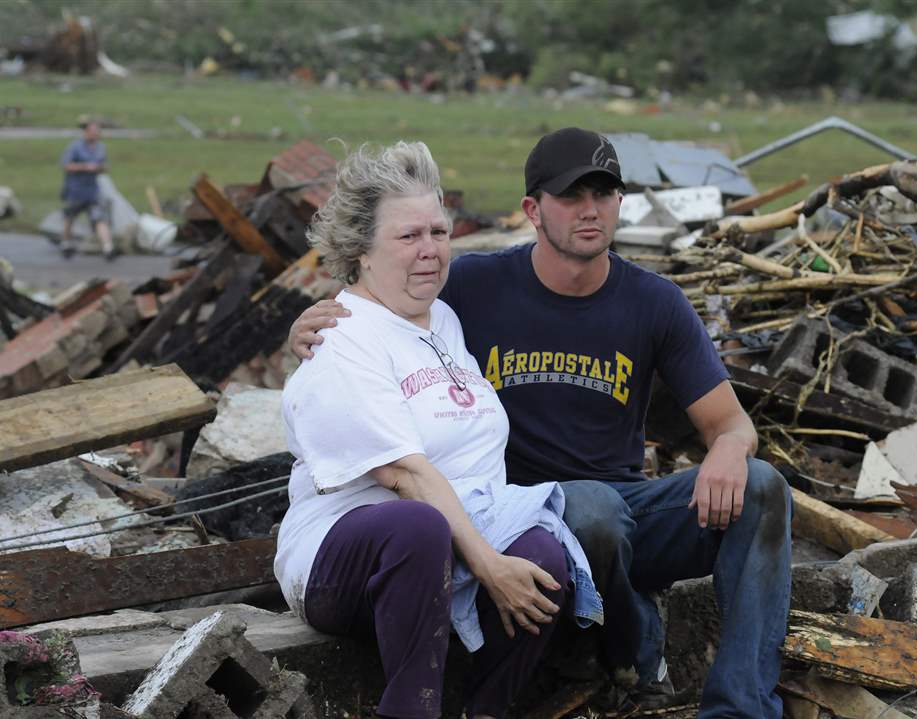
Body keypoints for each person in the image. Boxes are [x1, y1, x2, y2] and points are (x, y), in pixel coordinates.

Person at [290, 128, 792, 719]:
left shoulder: (653, 302)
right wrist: (310, 329)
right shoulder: (471, 289)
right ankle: (632, 648)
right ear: (532, 210)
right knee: (579, 515)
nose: (590, 210)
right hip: (529, 509)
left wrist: (732, 448)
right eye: (571, 196)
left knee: (762, 486)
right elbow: (377, 305)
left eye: (603, 195)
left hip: (614, 510)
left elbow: (729, 423)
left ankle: (741, 707)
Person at [274, 140, 602, 719]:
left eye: (439, 232)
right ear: (360, 251)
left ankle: (488, 709)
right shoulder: (343, 340)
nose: (429, 251)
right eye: (408, 237)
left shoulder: (444, 319)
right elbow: (404, 474)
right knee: (418, 526)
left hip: (451, 536)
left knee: (545, 558)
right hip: (345, 558)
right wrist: (487, 563)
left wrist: (500, 558)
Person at [59, 121, 117, 260]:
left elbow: (104, 164)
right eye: (92, 131)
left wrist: (101, 168)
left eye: (97, 132)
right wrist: (85, 166)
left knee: (99, 218)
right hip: (76, 189)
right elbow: (66, 165)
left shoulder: (101, 147)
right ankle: (66, 243)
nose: (95, 134)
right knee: (70, 217)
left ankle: (108, 248)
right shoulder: (75, 147)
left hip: (93, 190)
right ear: (86, 132)